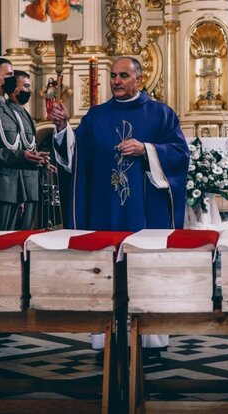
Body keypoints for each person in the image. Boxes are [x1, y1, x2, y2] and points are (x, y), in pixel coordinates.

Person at [49, 56, 190, 360]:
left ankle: (151, 343)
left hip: (146, 214)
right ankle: (106, 341)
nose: (116, 81)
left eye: (123, 76)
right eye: (113, 76)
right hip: (105, 212)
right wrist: (62, 128)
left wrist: (147, 150)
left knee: (146, 272)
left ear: (139, 79)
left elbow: (180, 154)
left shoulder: (161, 115)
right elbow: (76, 156)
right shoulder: (96, 117)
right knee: (105, 273)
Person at [0, 58, 49, 231]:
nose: (13, 79)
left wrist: (34, 159)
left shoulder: (8, 108)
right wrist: (21, 156)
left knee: (14, 248)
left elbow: (18, 145)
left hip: (13, 190)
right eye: (9, 75)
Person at [6, 70, 40, 230]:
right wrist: (19, 195)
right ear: (13, 88)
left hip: (30, 186)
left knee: (27, 235)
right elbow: (15, 153)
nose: (30, 91)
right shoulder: (8, 112)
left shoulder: (25, 114)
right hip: (20, 189)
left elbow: (29, 147)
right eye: (25, 86)